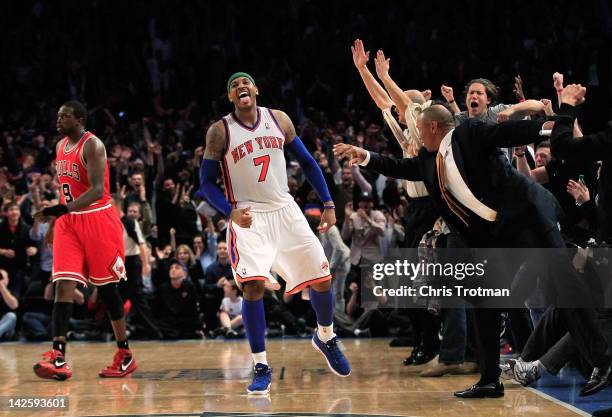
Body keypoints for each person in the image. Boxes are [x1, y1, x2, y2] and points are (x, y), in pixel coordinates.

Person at [333, 102, 609, 399]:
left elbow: (505, 132)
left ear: (432, 127)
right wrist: (366, 157)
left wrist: (546, 126)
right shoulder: (429, 160)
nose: (418, 136)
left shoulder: (468, 133)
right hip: (494, 236)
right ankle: (490, 379)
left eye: (420, 130)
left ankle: (603, 361)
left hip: (528, 217)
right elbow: (402, 167)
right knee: (484, 302)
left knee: (563, 283)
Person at [198, 72, 350, 395]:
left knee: (322, 278)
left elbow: (308, 163)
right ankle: (261, 365)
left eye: (245, 83)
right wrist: (229, 212)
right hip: (248, 215)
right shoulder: (219, 132)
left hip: (285, 210)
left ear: (256, 90)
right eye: (233, 86)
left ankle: (325, 336)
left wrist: (328, 202)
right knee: (253, 286)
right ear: (230, 97)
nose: (241, 87)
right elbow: (205, 183)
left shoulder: (279, 120)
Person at [33, 101, 136, 381]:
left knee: (106, 290)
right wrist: (58, 220)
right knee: (63, 284)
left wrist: (61, 210)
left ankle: (124, 354)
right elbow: (68, 193)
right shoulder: (59, 146)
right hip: (69, 222)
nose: (58, 120)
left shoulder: (93, 145)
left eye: (64, 116)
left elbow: (97, 190)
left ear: (79, 119)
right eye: (57, 115)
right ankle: (58, 356)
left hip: (97, 219)